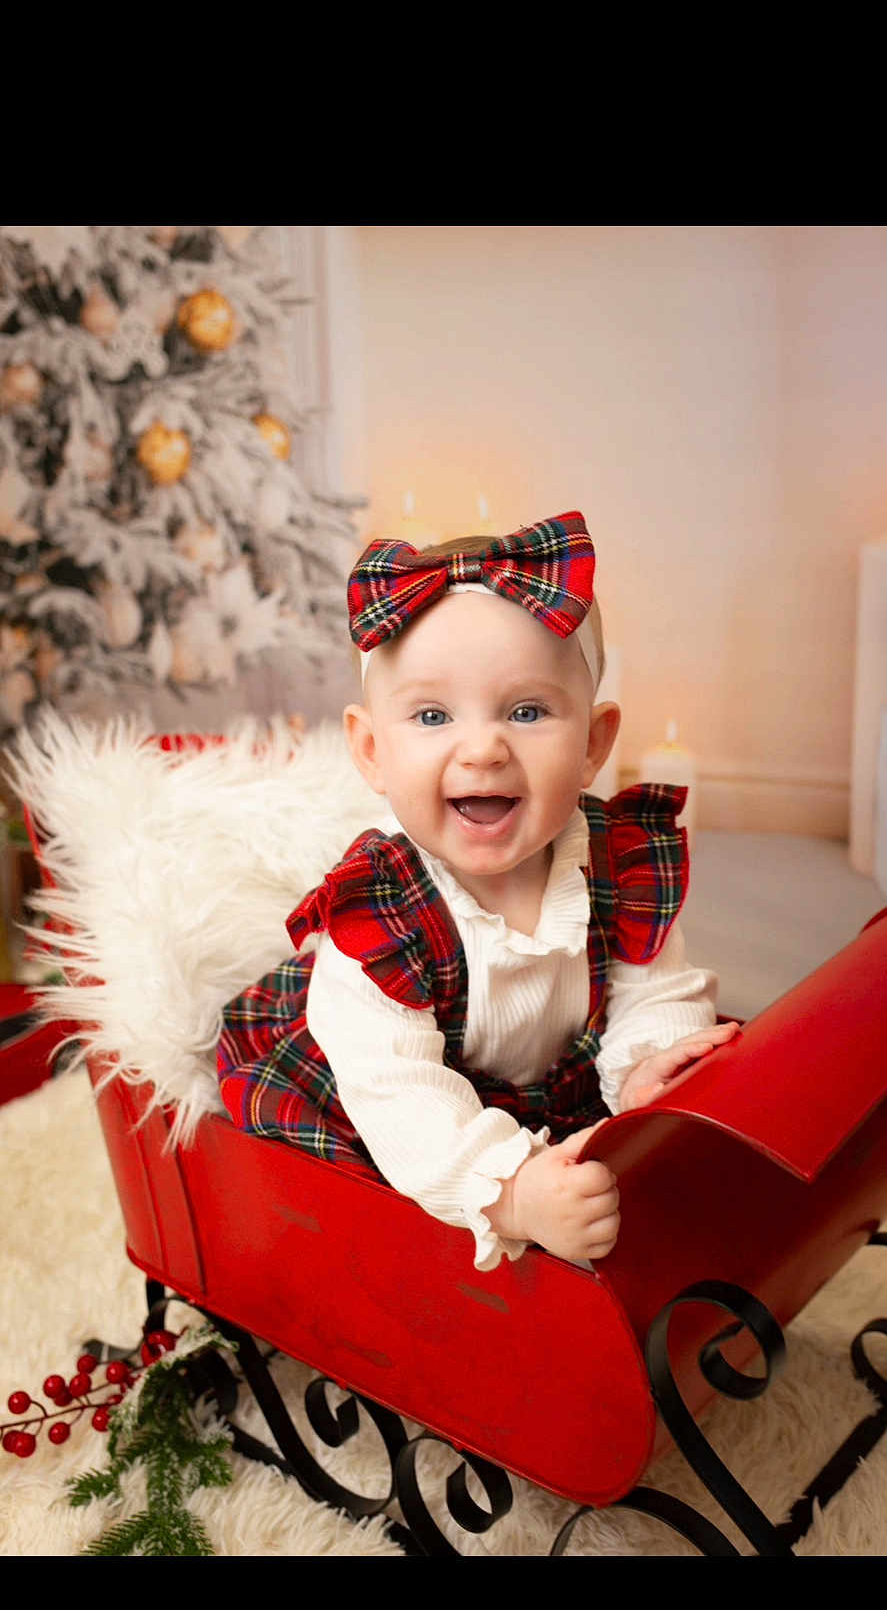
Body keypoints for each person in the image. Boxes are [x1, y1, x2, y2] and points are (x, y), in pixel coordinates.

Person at [217, 512, 739, 1273]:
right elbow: (397, 1093)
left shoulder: (617, 866)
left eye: (526, 712)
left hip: (543, 1087)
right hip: (383, 1093)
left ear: (593, 744)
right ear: (371, 750)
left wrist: (647, 1066)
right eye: (431, 716)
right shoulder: (377, 922)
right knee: (383, 1202)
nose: (483, 748)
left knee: (667, 1145)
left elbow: (652, 987)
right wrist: (511, 1192)